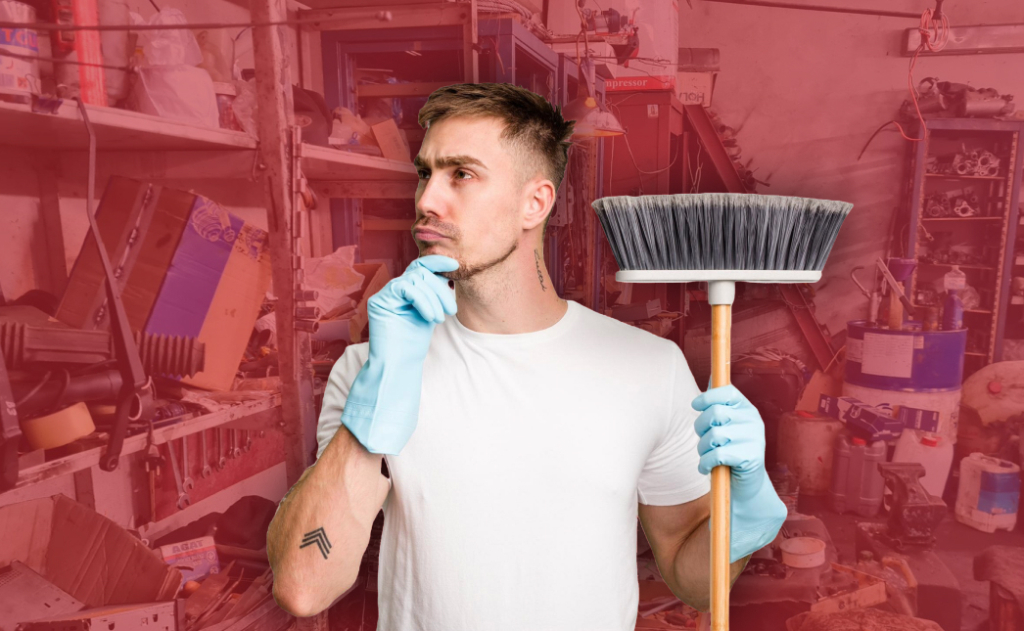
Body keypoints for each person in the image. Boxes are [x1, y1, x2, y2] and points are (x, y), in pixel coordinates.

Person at [267, 83, 786, 630]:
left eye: (461, 174)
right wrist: (370, 413)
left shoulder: (648, 367)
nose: (426, 201)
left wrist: (745, 516)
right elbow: (304, 589)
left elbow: (694, 583)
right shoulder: (370, 369)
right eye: (425, 173)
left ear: (534, 203)